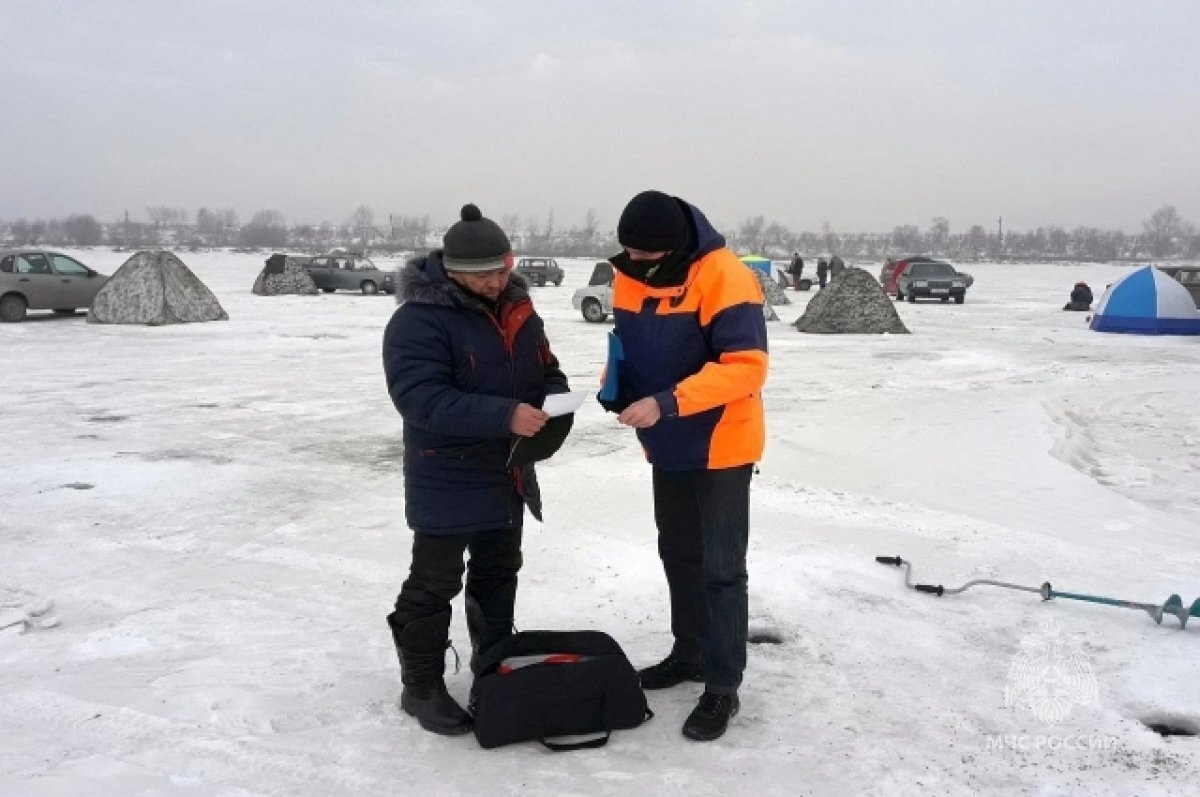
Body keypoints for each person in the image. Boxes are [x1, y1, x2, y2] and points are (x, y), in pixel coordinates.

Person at [382, 204, 569, 735]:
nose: (496, 280)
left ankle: (493, 664)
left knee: (498, 571)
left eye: (503, 268)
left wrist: (556, 398)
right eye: (483, 273)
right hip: (447, 471)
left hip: (507, 469)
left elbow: (544, 368)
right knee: (434, 580)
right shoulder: (417, 320)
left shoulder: (519, 310)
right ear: (452, 271)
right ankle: (420, 686)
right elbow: (420, 399)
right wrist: (504, 413)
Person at [602, 190, 769, 742]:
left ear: (672, 249)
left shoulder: (724, 275)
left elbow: (746, 368)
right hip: (666, 443)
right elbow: (631, 344)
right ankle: (690, 652)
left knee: (722, 567)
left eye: (645, 257)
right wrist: (618, 385)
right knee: (677, 552)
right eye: (628, 253)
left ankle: (723, 684)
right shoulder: (628, 273)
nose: (635, 265)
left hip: (721, 444)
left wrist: (667, 401)